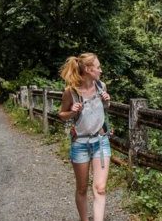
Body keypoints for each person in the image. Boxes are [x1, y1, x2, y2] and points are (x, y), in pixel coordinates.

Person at [59, 53, 112, 221]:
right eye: (98, 67)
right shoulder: (71, 91)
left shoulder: (101, 86)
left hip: (101, 141)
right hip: (80, 144)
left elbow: (105, 108)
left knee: (100, 188)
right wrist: (72, 111)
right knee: (82, 189)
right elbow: (62, 114)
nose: (100, 70)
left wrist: (107, 101)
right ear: (89, 70)